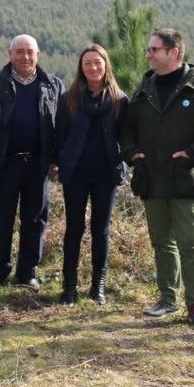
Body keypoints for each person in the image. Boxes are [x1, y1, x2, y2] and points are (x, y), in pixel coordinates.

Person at [120, 28, 194, 329]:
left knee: (190, 245)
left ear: (174, 52)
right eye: (149, 50)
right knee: (161, 243)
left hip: (185, 179)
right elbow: (126, 128)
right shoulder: (144, 88)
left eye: (155, 49)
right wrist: (131, 154)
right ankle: (167, 299)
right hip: (151, 180)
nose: (149, 54)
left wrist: (193, 153)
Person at [0, 34, 63, 291]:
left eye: (30, 52)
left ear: (38, 55)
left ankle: (27, 273)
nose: (25, 57)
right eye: (19, 52)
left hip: (38, 164)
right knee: (2, 218)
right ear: (9, 53)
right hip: (4, 163)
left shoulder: (52, 85)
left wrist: (56, 160)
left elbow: (62, 125)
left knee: (35, 219)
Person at [54, 44, 127, 305]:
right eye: (88, 63)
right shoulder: (69, 98)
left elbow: (126, 137)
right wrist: (57, 162)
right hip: (75, 173)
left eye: (98, 62)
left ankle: (98, 287)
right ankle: (69, 288)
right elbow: (59, 135)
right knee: (74, 228)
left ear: (106, 65)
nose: (93, 68)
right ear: (81, 68)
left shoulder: (120, 99)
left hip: (106, 174)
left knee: (101, 229)